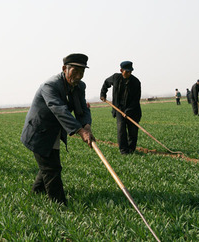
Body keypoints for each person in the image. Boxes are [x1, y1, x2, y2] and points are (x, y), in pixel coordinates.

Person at [21, 53, 94, 206]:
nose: (79, 75)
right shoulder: (50, 85)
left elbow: (81, 108)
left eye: (82, 72)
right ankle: (59, 204)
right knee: (51, 168)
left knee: (48, 164)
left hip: (54, 131)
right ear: (64, 69)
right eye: (75, 71)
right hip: (39, 131)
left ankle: (37, 191)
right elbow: (59, 109)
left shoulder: (79, 86)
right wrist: (80, 131)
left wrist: (86, 125)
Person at [100, 61, 142, 154]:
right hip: (119, 109)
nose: (129, 73)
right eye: (127, 71)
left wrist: (128, 111)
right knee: (121, 130)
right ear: (121, 70)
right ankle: (123, 151)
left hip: (133, 110)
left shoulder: (136, 82)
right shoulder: (116, 77)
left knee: (133, 131)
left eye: (130, 71)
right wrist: (103, 94)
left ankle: (131, 150)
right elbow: (106, 83)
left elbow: (136, 99)